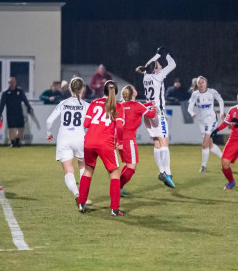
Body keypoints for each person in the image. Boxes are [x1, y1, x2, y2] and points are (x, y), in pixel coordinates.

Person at [77, 80, 125, 216]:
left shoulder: (93, 103)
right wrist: (119, 141)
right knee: (114, 174)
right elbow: (120, 127)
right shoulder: (118, 106)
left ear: (103, 91)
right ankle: (114, 209)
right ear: (115, 92)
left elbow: (86, 123)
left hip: (89, 142)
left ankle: (81, 203)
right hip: (105, 143)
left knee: (88, 170)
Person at [46, 77, 92, 205]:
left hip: (64, 138)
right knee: (83, 167)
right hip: (80, 138)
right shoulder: (87, 106)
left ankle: (77, 194)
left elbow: (49, 121)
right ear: (83, 88)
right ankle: (83, 197)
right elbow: (91, 123)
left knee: (68, 170)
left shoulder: (62, 103)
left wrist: (49, 133)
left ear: (70, 89)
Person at [136, 46, 176, 188]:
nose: (160, 66)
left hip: (148, 114)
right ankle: (167, 173)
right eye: (159, 66)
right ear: (156, 70)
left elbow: (148, 66)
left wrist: (157, 55)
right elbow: (173, 65)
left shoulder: (146, 76)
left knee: (157, 143)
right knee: (164, 144)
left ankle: (161, 171)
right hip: (158, 113)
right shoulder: (158, 76)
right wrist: (166, 54)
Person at [119, 85, 157, 196]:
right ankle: (117, 186)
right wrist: (155, 108)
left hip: (119, 139)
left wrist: (149, 104)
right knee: (131, 168)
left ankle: (119, 187)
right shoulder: (136, 105)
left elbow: (136, 108)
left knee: (127, 165)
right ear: (133, 93)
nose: (136, 90)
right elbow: (151, 114)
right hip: (129, 140)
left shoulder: (121, 105)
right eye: (134, 89)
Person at [187, 76, 225, 173]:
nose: (201, 84)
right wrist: (192, 113)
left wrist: (221, 112)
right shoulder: (195, 94)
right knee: (210, 145)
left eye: (203, 82)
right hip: (201, 122)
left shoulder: (212, 92)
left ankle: (203, 166)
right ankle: (224, 158)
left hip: (211, 121)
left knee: (204, 144)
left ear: (206, 83)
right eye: (199, 83)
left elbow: (220, 100)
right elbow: (189, 108)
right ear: (197, 84)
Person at [0, 77, 34, 148]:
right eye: (10, 82)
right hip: (10, 114)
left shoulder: (20, 91)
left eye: (13, 82)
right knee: (11, 129)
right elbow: (2, 104)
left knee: (21, 128)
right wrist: (0, 114)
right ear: (8, 83)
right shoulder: (5, 93)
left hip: (19, 113)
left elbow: (25, 100)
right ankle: (12, 143)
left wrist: (30, 108)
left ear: (16, 83)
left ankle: (17, 142)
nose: (12, 84)